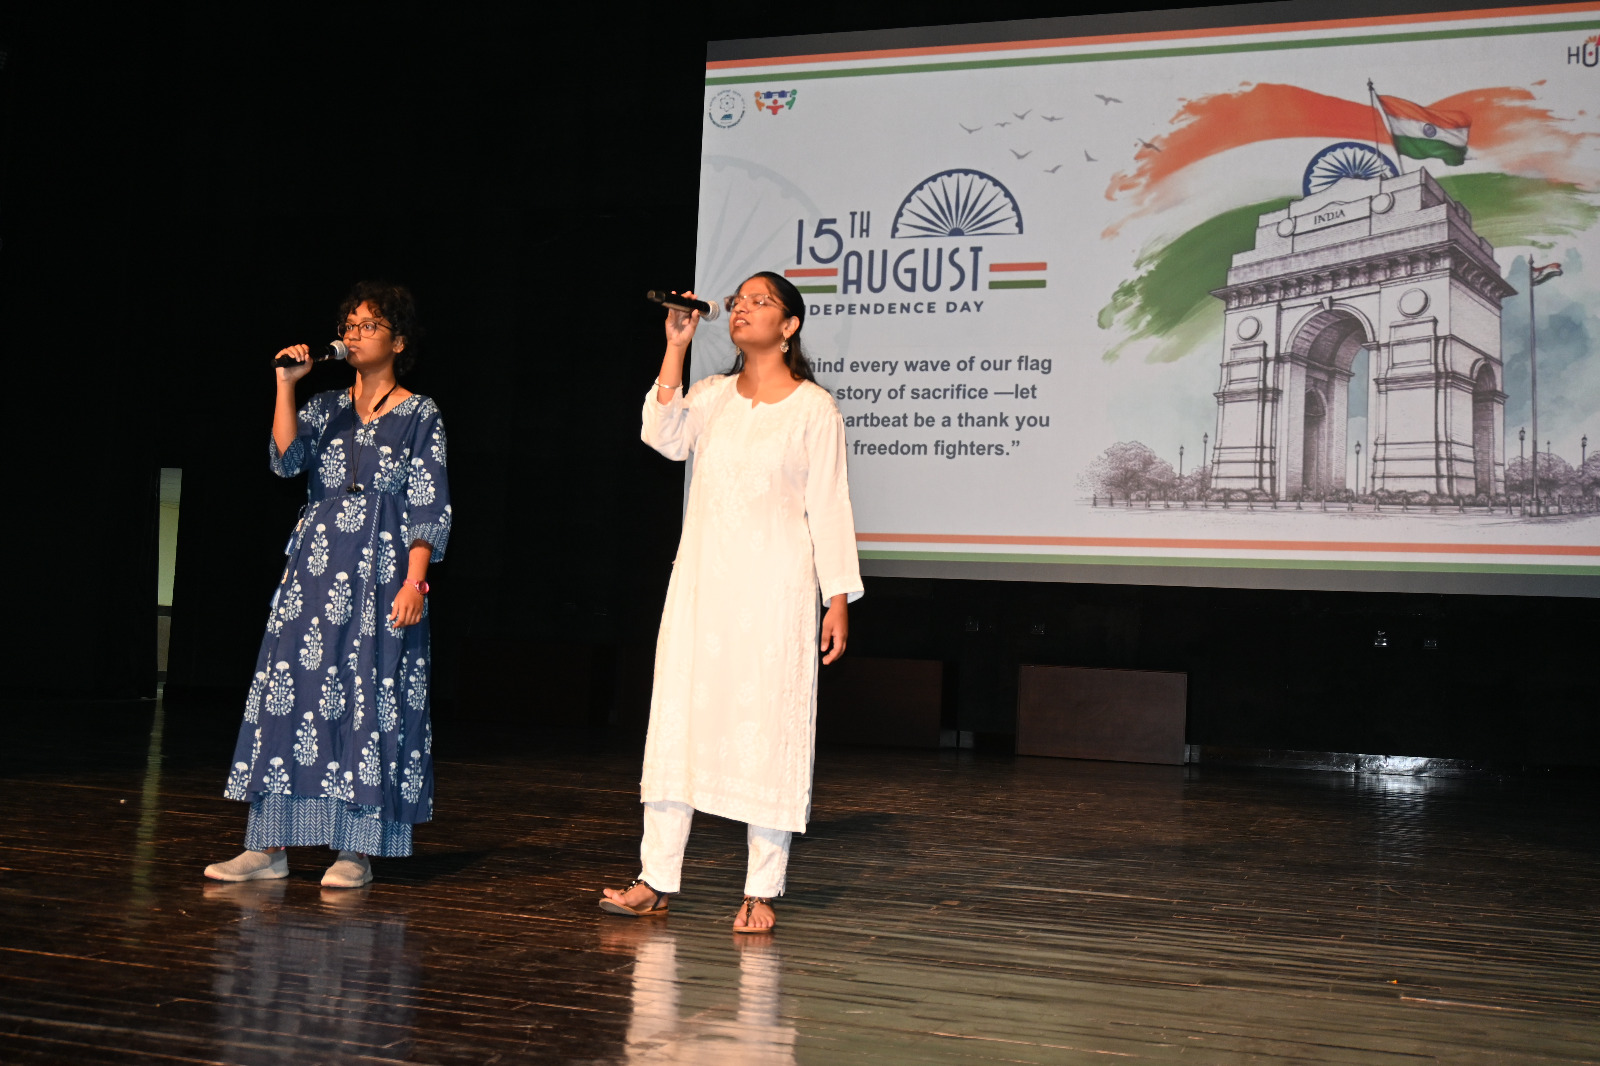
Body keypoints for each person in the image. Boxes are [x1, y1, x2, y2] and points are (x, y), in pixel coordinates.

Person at [601, 271, 863, 932]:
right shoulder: (714, 396)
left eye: (759, 302)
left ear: (790, 326)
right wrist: (676, 345)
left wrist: (837, 597)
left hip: (775, 594)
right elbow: (661, 435)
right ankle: (655, 878)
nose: (742, 309)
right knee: (679, 723)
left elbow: (829, 506)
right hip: (702, 589)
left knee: (768, 727)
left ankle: (761, 889)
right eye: (739, 301)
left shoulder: (813, 409)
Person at [205, 281, 452, 889]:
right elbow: (285, 461)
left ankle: (355, 850)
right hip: (314, 573)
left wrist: (415, 583)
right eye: (349, 324)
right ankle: (268, 846)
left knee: (368, 700)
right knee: (290, 695)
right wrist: (287, 384)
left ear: (398, 341)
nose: (354, 334)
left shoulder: (420, 413)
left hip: (383, 574)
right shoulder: (324, 408)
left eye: (369, 325)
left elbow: (429, 504)